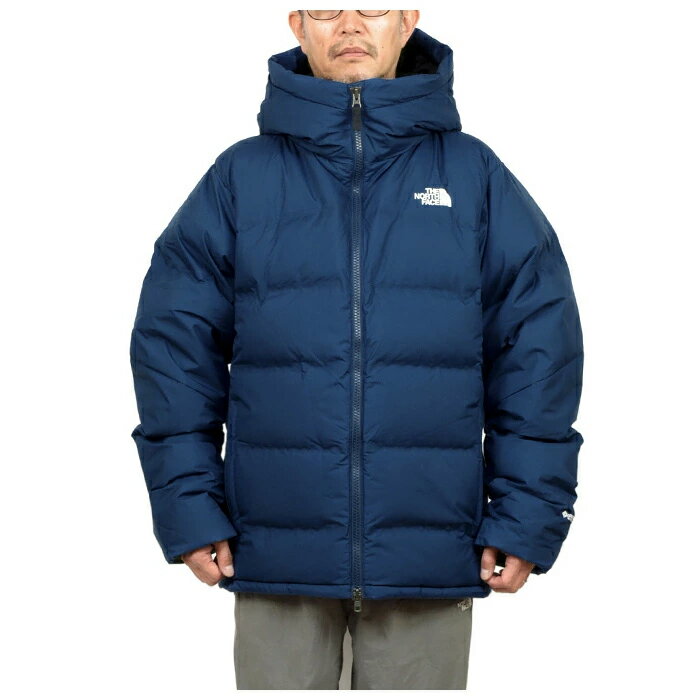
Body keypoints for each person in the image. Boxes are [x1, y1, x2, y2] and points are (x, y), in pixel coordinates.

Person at [129, 9, 584, 691]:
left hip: (429, 554)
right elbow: (173, 347)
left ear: (406, 21)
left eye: (372, 6)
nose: (349, 24)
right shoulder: (240, 178)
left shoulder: (475, 176)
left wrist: (527, 514)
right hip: (273, 552)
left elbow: (539, 350)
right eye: (325, 9)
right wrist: (188, 505)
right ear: (297, 25)